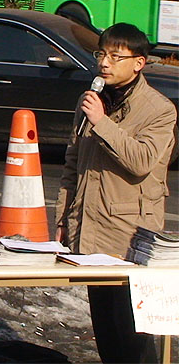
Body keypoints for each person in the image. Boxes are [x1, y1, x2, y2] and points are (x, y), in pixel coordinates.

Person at [55, 23, 177, 363]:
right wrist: (63, 218)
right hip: (89, 231)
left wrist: (102, 122)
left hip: (129, 236)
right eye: (101, 54)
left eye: (115, 56)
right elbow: (73, 162)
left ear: (138, 63)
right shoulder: (92, 100)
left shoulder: (159, 109)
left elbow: (141, 161)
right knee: (106, 329)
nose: (104, 63)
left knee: (132, 334)